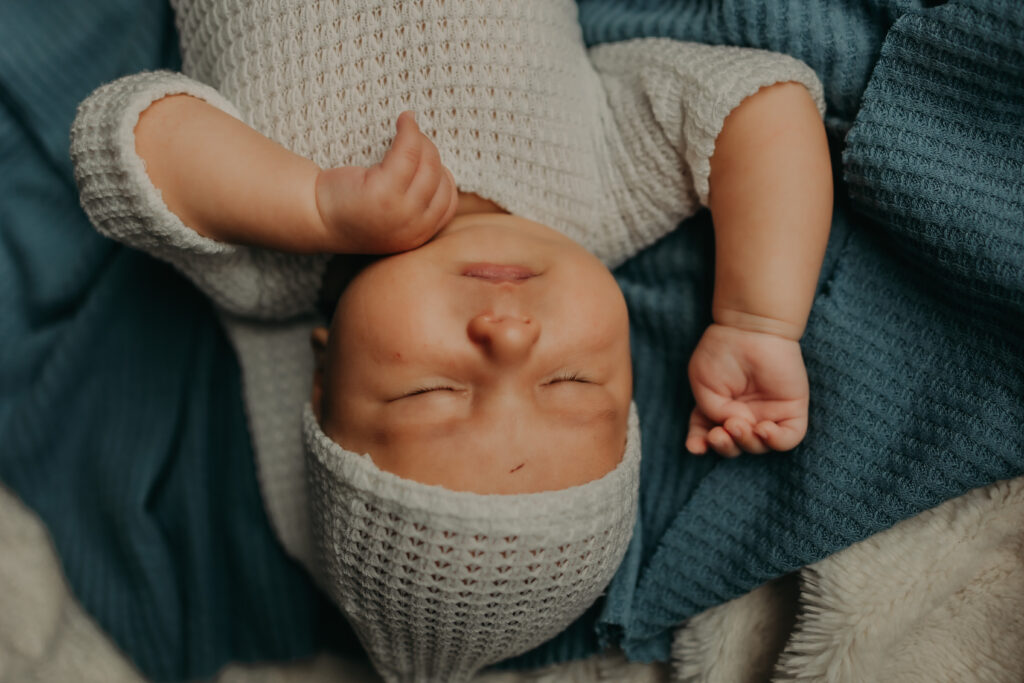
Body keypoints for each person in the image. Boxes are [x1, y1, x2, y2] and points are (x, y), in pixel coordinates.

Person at [70, 1, 831, 680]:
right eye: (569, 379)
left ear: (323, 369)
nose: (507, 335)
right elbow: (764, 104)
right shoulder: (601, 190)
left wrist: (313, 207)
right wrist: (757, 318)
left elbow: (120, 139)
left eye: (434, 390)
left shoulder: (264, 269)